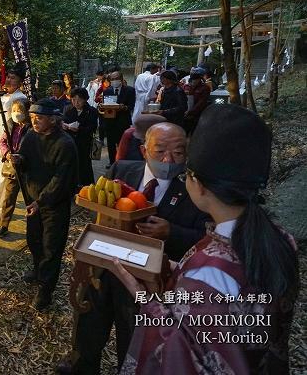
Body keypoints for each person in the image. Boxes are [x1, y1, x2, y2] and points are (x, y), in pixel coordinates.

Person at [112, 104, 299, 374]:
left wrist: (146, 299)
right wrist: (180, 272)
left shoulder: (209, 274)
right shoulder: (280, 238)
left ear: (197, 184)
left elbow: (180, 353)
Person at [59, 122, 211, 374]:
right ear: (143, 151)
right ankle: (80, 364)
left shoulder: (194, 191)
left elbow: (205, 239)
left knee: (133, 333)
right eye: (160, 150)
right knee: (89, 321)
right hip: (104, 264)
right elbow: (99, 207)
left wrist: (171, 232)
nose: (168, 159)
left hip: (147, 280)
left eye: (178, 152)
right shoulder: (122, 170)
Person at [10, 99, 78, 311]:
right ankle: (38, 270)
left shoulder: (65, 144)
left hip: (53, 204)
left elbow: (61, 179)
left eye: (38, 118)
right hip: (33, 200)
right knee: (34, 240)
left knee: (51, 247)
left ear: (53, 119)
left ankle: (45, 289)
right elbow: (25, 160)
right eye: (32, 118)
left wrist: (42, 201)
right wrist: (18, 160)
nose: (34, 122)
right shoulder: (30, 136)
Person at [0, 98, 31, 238]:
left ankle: (34, 226)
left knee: (30, 198)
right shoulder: (10, 125)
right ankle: (4, 225)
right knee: (9, 198)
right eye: (14, 111)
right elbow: (2, 141)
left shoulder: (31, 128)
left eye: (20, 111)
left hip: (27, 169)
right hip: (12, 168)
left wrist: (22, 157)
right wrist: (7, 154)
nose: (16, 113)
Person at [62, 87, 99, 186]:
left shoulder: (92, 111)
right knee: (71, 164)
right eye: (73, 100)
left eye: (79, 100)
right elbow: (63, 121)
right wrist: (64, 126)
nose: (76, 103)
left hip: (84, 142)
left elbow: (92, 127)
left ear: (85, 99)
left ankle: (87, 186)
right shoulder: (68, 109)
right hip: (70, 142)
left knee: (85, 165)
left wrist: (79, 129)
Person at [100, 70, 135, 166]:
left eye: (116, 79)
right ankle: (112, 163)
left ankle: (122, 162)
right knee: (111, 144)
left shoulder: (130, 90)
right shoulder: (107, 91)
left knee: (122, 144)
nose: (114, 81)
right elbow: (106, 106)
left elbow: (131, 106)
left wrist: (124, 107)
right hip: (110, 121)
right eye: (112, 79)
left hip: (123, 121)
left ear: (121, 79)